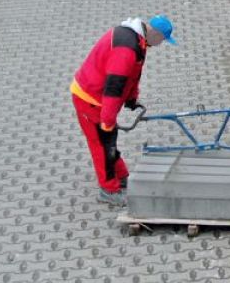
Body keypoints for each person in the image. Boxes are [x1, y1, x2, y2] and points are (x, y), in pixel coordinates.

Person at [70, 14, 176, 206]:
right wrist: (108, 119)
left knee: (108, 140)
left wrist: (132, 98)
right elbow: (114, 87)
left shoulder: (138, 41)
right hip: (90, 99)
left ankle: (121, 176)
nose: (161, 44)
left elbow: (133, 75)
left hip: (99, 98)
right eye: (162, 40)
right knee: (102, 145)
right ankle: (108, 190)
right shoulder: (126, 50)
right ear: (155, 33)